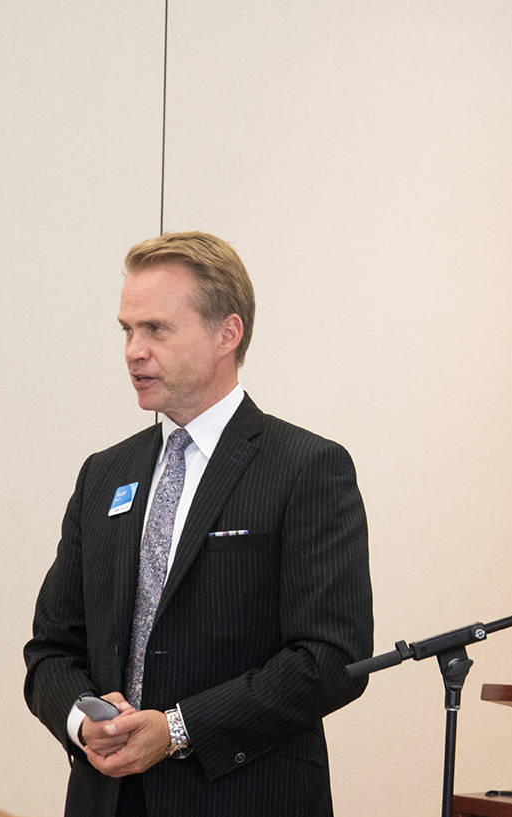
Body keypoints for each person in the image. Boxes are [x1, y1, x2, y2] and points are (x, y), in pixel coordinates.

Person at [24, 231, 373, 817]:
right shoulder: (104, 474)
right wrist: (83, 717)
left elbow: (331, 658)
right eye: (127, 330)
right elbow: (52, 648)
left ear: (226, 334)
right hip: (108, 799)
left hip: (244, 797)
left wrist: (179, 728)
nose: (134, 350)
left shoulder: (307, 467)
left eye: (156, 329)